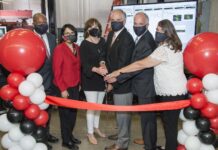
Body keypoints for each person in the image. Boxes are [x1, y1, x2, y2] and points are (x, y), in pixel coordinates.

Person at [105, 19, 188, 150]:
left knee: (170, 127)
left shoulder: (164, 49)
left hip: (172, 92)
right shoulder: (173, 46)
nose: (157, 33)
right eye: (157, 30)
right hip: (175, 91)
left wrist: (118, 72)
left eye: (160, 31)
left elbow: (141, 64)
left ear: (168, 32)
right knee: (169, 125)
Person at [111, 12, 157, 150]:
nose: (137, 27)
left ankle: (150, 146)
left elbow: (137, 67)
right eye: (135, 24)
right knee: (146, 118)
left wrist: (118, 77)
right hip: (141, 85)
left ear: (147, 25)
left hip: (146, 87)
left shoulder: (147, 42)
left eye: (140, 24)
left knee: (148, 119)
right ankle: (147, 140)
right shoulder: (140, 37)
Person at [104, 9, 135, 150]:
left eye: (118, 20)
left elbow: (123, 64)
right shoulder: (111, 34)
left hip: (123, 83)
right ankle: (122, 135)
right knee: (121, 114)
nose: (115, 23)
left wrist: (113, 80)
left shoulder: (127, 38)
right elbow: (108, 55)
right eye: (113, 20)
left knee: (123, 115)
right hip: (113, 80)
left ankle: (122, 144)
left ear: (124, 21)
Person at [52, 24, 81, 150]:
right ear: (63, 36)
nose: (70, 35)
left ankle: (70, 135)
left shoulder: (77, 47)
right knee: (65, 115)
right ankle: (66, 140)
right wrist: (62, 89)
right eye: (67, 33)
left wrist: (79, 84)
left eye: (72, 32)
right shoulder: (59, 49)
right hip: (63, 87)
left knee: (73, 114)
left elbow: (79, 67)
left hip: (75, 86)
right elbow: (56, 71)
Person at [33, 13, 58, 150]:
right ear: (34, 23)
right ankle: (38, 138)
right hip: (34, 83)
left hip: (50, 82)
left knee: (47, 112)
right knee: (36, 113)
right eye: (40, 23)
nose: (43, 25)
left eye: (45, 22)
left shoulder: (52, 37)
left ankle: (46, 134)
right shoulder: (29, 38)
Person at [80, 18, 107, 145]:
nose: (94, 28)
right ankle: (90, 132)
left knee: (99, 107)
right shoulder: (84, 44)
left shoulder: (102, 41)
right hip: (90, 79)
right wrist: (97, 70)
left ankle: (96, 128)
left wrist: (102, 64)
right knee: (91, 107)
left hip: (101, 79)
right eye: (91, 27)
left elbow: (104, 56)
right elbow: (84, 64)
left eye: (96, 26)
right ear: (87, 30)